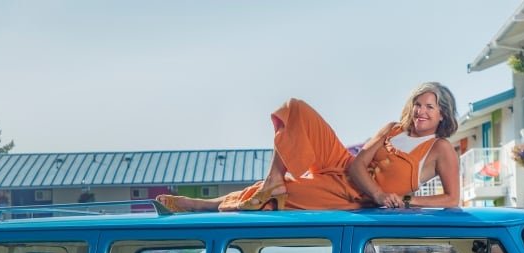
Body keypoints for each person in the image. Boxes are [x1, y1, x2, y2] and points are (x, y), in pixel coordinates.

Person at [156, 82, 460, 212]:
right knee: (295, 109)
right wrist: (382, 193)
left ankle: (199, 205)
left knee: (285, 195)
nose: (421, 111)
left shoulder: (440, 149)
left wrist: (408, 202)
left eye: (429, 107)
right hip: (344, 167)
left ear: (442, 113)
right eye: (418, 104)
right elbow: (355, 164)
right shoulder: (393, 128)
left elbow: (452, 198)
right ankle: (273, 180)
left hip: (353, 196)